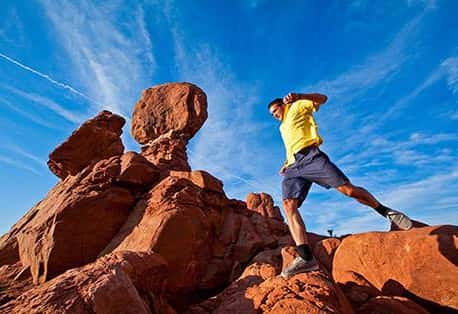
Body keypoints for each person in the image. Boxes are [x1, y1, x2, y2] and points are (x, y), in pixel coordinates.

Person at [268, 92, 413, 278]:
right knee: (289, 205)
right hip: (293, 166)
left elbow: (323, 98)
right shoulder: (282, 127)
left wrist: (299, 95)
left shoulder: (297, 106)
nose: (274, 115)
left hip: (312, 157)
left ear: (283, 105)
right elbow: (292, 144)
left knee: (348, 190)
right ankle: (306, 258)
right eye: (271, 114)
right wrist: (287, 162)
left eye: (275, 110)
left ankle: (386, 212)